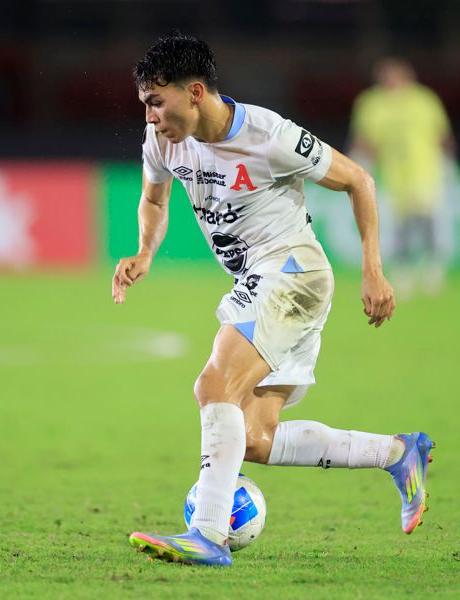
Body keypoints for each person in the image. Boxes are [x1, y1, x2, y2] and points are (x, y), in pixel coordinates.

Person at [112, 34, 434, 567]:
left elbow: (357, 180)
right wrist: (145, 251)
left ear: (194, 92)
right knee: (256, 437)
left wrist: (373, 271)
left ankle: (208, 535)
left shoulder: (268, 135)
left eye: (155, 101)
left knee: (213, 385)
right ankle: (399, 453)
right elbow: (153, 196)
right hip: (265, 283)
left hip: (292, 271)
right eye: (145, 103)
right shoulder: (165, 142)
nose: (149, 116)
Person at [350, 57, 455, 298]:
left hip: (426, 172)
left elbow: (441, 134)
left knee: (429, 222)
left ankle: (433, 268)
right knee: (397, 228)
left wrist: (448, 162)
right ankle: (403, 271)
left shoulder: (424, 99)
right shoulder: (371, 103)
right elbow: (364, 140)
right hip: (391, 177)